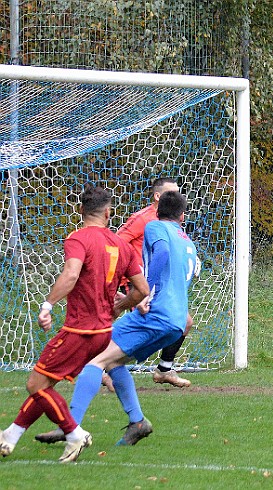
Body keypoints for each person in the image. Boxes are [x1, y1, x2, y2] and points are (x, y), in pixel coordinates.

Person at [0, 184, 148, 463]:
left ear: (80, 210)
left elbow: (70, 275)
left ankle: (74, 433)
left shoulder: (78, 239)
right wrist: (119, 307)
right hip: (103, 332)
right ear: (108, 212)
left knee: (36, 385)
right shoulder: (121, 245)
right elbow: (141, 290)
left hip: (80, 331)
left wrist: (47, 305)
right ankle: (10, 435)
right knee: (45, 384)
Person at [50, 190, 198, 452]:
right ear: (182, 215)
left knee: (94, 358)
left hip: (157, 315)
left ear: (157, 210)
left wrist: (147, 291)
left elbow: (161, 253)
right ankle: (137, 422)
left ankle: (70, 428)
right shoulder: (187, 241)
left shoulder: (155, 227)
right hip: (175, 322)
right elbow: (188, 274)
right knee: (114, 361)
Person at [115, 177, 194, 388]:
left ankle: (164, 369)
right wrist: (130, 274)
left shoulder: (171, 225)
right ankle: (101, 365)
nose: (176, 196)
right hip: (138, 280)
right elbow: (117, 242)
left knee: (184, 322)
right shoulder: (144, 220)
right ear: (158, 196)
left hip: (158, 282)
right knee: (139, 325)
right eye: (171, 192)